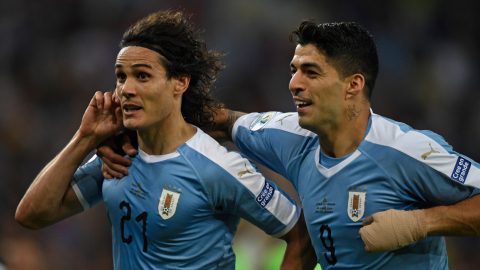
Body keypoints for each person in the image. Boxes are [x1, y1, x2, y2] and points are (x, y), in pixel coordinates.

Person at [100, 20, 480, 269]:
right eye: (294, 70)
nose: (294, 84)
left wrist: (422, 222)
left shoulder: (406, 151)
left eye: (311, 73)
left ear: (353, 85)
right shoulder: (285, 136)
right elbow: (215, 119)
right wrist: (126, 135)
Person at [15, 11, 317, 270]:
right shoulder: (118, 157)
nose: (126, 89)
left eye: (142, 76)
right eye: (121, 76)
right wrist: (85, 137)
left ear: (180, 82)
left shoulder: (217, 166)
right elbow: (31, 215)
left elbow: (301, 234)